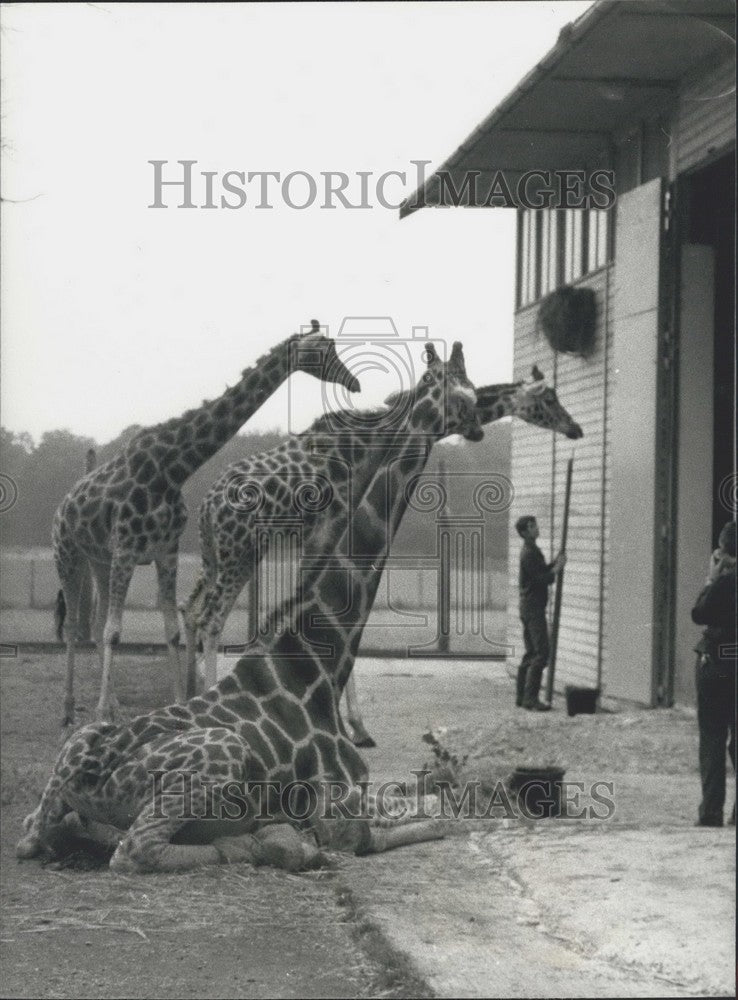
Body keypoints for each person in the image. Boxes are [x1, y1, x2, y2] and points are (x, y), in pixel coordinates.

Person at [691, 520, 736, 827]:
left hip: (717, 662)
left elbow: (699, 614)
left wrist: (711, 578)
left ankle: (711, 811)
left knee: (712, 737)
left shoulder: (723, 582)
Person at [515, 515, 566, 711]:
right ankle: (530, 698)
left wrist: (554, 563)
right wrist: (556, 570)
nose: (536, 527)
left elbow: (541, 570)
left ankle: (522, 697)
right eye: (531, 526)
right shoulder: (529, 553)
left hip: (529, 606)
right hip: (533, 608)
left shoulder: (531, 550)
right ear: (524, 532)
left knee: (531, 653)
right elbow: (540, 579)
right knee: (542, 653)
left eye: (535, 524)